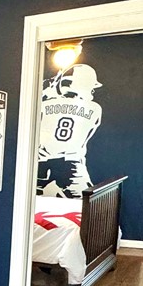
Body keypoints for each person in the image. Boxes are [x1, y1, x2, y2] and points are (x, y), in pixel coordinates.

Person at [36, 63, 103, 197]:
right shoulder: (95, 108)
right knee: (82, 208)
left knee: (33, 205)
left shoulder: (43, 104)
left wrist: (47, 92)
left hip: (41, 164)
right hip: (71, 165)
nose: (92, 91)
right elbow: (87, 136)